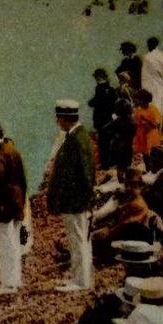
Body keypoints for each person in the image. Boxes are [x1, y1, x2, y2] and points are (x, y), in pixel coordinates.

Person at [47, 100, 96, 291]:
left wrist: (82, 200)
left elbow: (85, 174)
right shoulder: (78, 136)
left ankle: (80, 281)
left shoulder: (76, 139)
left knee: (78, 240)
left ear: (65, 119)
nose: (57, 122)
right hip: (76, 200)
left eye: (59, 118)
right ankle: (81, 277)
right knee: (81, 239)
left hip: (75, 201)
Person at [0, 121, 28, 295]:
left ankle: (8, 284)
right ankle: (15, 279)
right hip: (16, 202)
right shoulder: (12, 149)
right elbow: (21, 179)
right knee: (14, 243)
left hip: (2, 205)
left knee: (4, 245)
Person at [88, 68, 118, 170]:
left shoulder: (99, 88)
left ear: (98, 78)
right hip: (110, 120)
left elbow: (94, 102)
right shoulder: (111, 90)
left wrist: (90, 103)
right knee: (110, 142)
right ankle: (111, 163)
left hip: (101, 121)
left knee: (102, 143)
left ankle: (105, 165)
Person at [141, 36, 163, 114]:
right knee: (160, 105)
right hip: (160, 84)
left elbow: (144, 76)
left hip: (150, 86)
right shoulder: (162, 56)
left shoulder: (147, 57)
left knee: (153, 106)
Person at [131, 89, 162, 158]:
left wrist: (146, 120)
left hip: (150, 135)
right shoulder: (137, 110)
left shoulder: (153, 109)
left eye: (138, 100)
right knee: (144, 155)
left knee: (151, 154)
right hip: (141, 135)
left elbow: (156, 125)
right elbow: (135, 122)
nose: (137, 101)